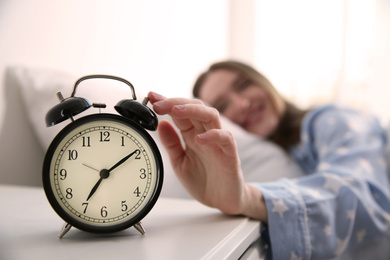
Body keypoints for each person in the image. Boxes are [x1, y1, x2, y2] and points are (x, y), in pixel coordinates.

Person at [147, 61, 390, 259]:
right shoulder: (281, 154)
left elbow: (363, 194)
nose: (242, 104)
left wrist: (248, 198)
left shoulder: (332, 118)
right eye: (223, 105)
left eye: (243, 86)